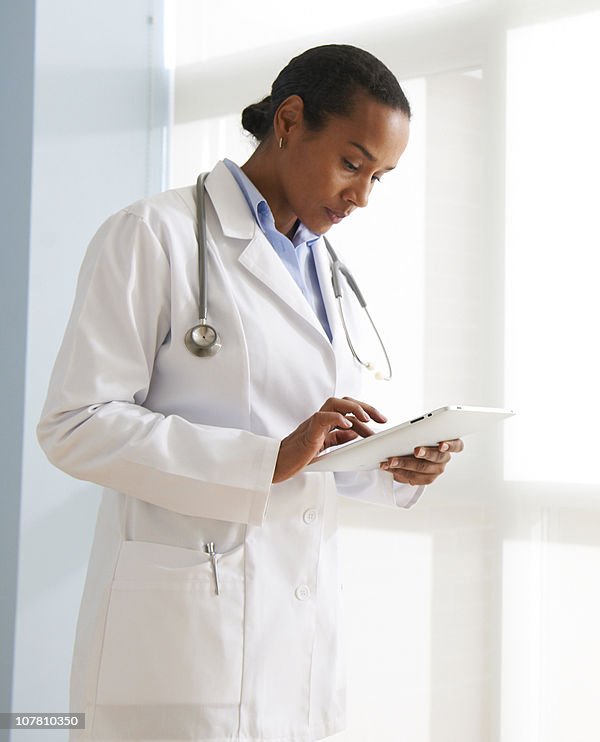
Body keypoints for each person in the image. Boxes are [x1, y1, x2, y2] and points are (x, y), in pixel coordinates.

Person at [36, 43, 463, 741]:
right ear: (290, 121)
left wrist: (392, 464)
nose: (360, 195)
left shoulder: (323, 269)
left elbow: (314, 456)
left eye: (378, 178)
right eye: (352, 163)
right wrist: (267, 459)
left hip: (294, 629)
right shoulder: (154, 235)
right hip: (184, 637)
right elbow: (75, 425)